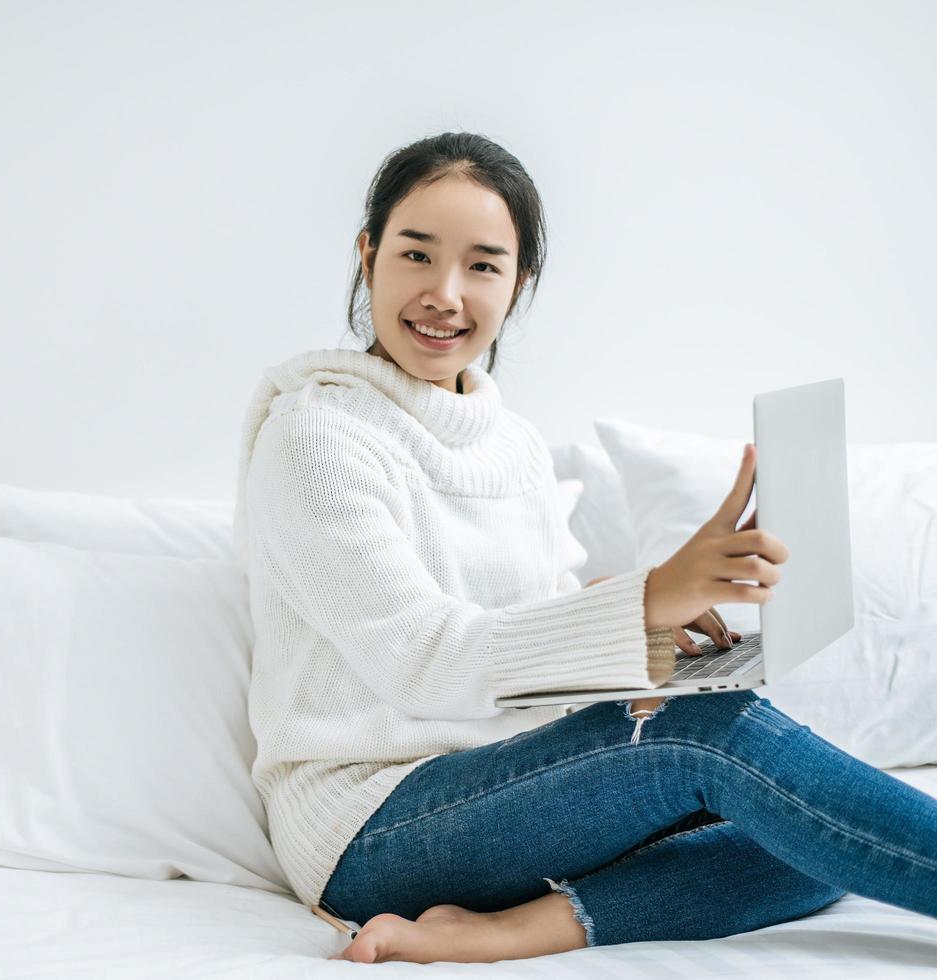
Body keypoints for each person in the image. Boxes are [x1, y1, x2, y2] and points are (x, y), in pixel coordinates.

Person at [231, 131, 937, 964]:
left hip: (511, 789)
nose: (443, 293)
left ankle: (511, 930)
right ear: (368, 254)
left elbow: (529, 639)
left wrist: (642, 624)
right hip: (374, 826)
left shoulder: (514, 443)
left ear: (518, 283)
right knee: (726, 742)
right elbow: (424, 659)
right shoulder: (315, 436)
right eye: (416, 255)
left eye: (483, 266)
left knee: (815, 822)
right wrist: (644, 599)